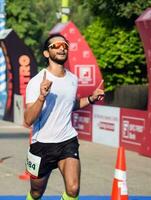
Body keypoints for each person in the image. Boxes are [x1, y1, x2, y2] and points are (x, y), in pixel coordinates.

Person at [24, 33, 104, 200]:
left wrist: (90, 98)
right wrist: (41, 96)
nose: (62, 48)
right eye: (56, 46)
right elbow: (28, 119)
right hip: (42, 145)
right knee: (36, 192)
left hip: (67, 140)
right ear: (46, 53)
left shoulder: (73, 79)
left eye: (65, 45)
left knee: (73, 189)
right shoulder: (36, 82)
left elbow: (70, 105)